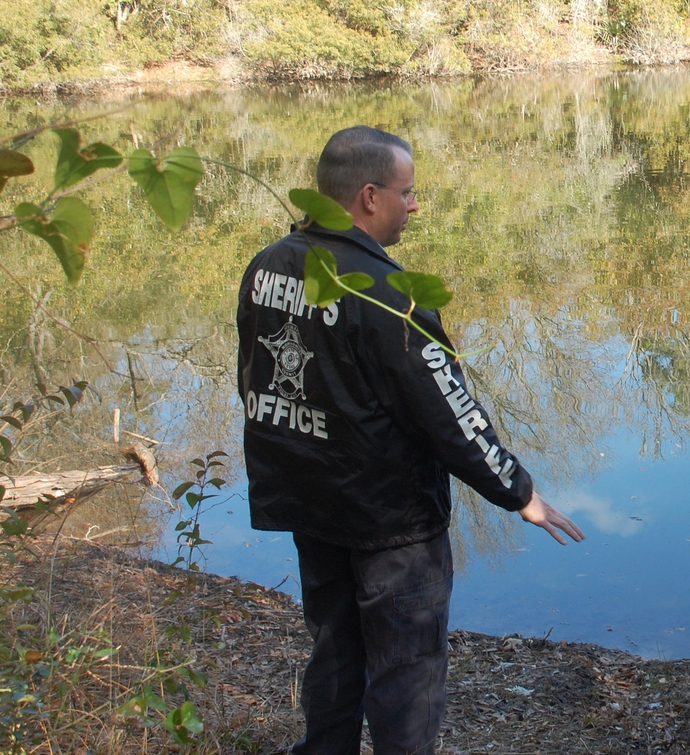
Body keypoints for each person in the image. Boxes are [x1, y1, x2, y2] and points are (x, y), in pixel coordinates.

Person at [237, 126, 584, 755]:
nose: (414, 205)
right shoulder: (390, 297)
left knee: (334, 649)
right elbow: (449, 414)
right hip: (389, 521)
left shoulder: (267, 266)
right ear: (370, 196)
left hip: (309, 504)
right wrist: (518, 491)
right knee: (406, 674)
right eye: (408, 192)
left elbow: (252, 382)